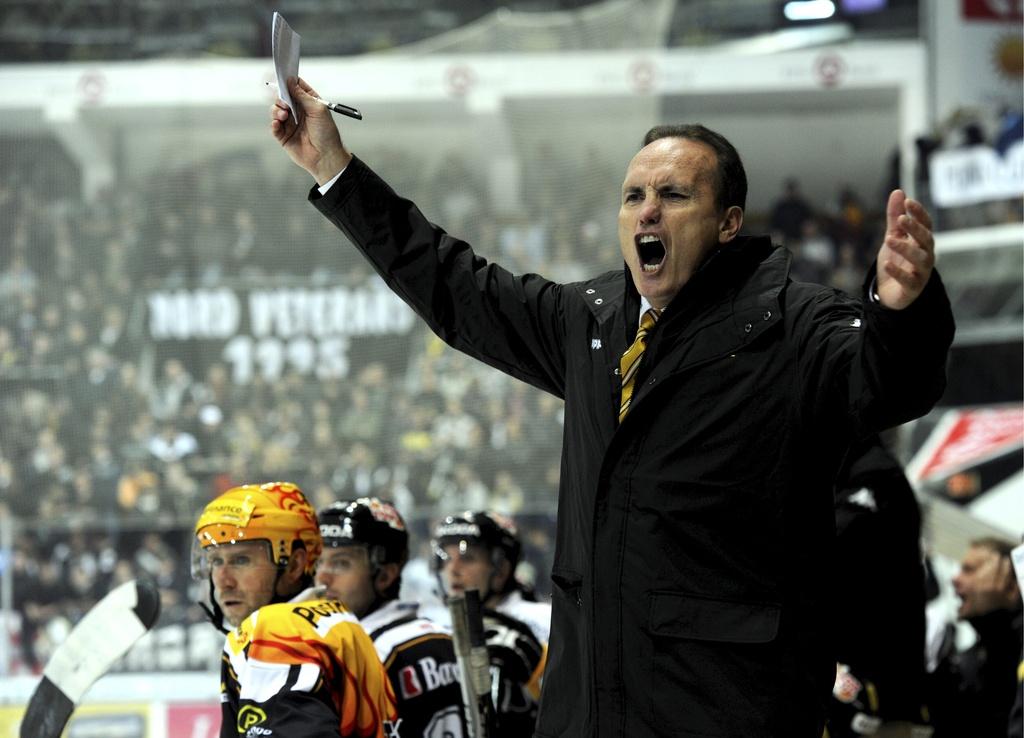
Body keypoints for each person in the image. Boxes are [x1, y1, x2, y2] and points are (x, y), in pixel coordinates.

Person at [269, 79, 955, 736]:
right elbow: (455, 288)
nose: (647, 210)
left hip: (731, 713)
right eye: (633, 195)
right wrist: (335, 169)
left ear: (728, 223)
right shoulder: (589, 322)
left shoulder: (793, 326)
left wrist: (900, 310)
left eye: (673, 194)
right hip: (591, 710)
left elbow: (890, 388)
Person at [192, 481, 398, 738]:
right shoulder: (336, 619)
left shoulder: (277, 629)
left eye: (241, 560)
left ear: (294, 565)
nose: (223, 580)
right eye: (215, 561)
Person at [314, 497, 468, 738]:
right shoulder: (444, 638)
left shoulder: (366, 653)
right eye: (318, 562)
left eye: (341, 564)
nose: (322, 578)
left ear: (385, 575)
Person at [826, 434, 930, 737]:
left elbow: (835, 539)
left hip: (880, 681)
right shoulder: (851, 470)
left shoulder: (877, 474)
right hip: (862, 670)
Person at [432, 510, 547, 737]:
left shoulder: (543, 619)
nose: (453, 570)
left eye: (467, 558)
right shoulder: (437, 623)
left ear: (501, 569)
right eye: (446, 558)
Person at [925, 537, 1023, 737]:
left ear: (1011, 583)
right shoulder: (969, 659)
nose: (954, 578)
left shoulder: (1013, 650)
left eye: (969, 570)